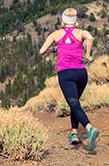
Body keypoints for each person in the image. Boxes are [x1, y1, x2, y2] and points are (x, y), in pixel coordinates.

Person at [39, 8, 100, 151]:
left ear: (63, 20)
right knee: (75, 103)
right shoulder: (81, 32)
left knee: (74, 104)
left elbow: (42, 51)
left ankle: (90, 129)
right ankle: (74, 133)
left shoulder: (55, 34)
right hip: (81, 73)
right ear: (75, 20)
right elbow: (90, 38)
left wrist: (55, 49)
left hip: (66, 75)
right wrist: (88, 54)